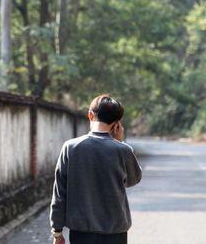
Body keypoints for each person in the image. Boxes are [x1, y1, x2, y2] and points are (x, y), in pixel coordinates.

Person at [49, 94, 142, 244]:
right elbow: (133, 180)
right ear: (117, 123)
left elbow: (60, 194)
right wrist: (120, 142)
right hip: (116, 233)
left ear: (90, 115)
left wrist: (57, 232)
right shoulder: (123, 150)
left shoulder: (70, 147)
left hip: (82, 233)